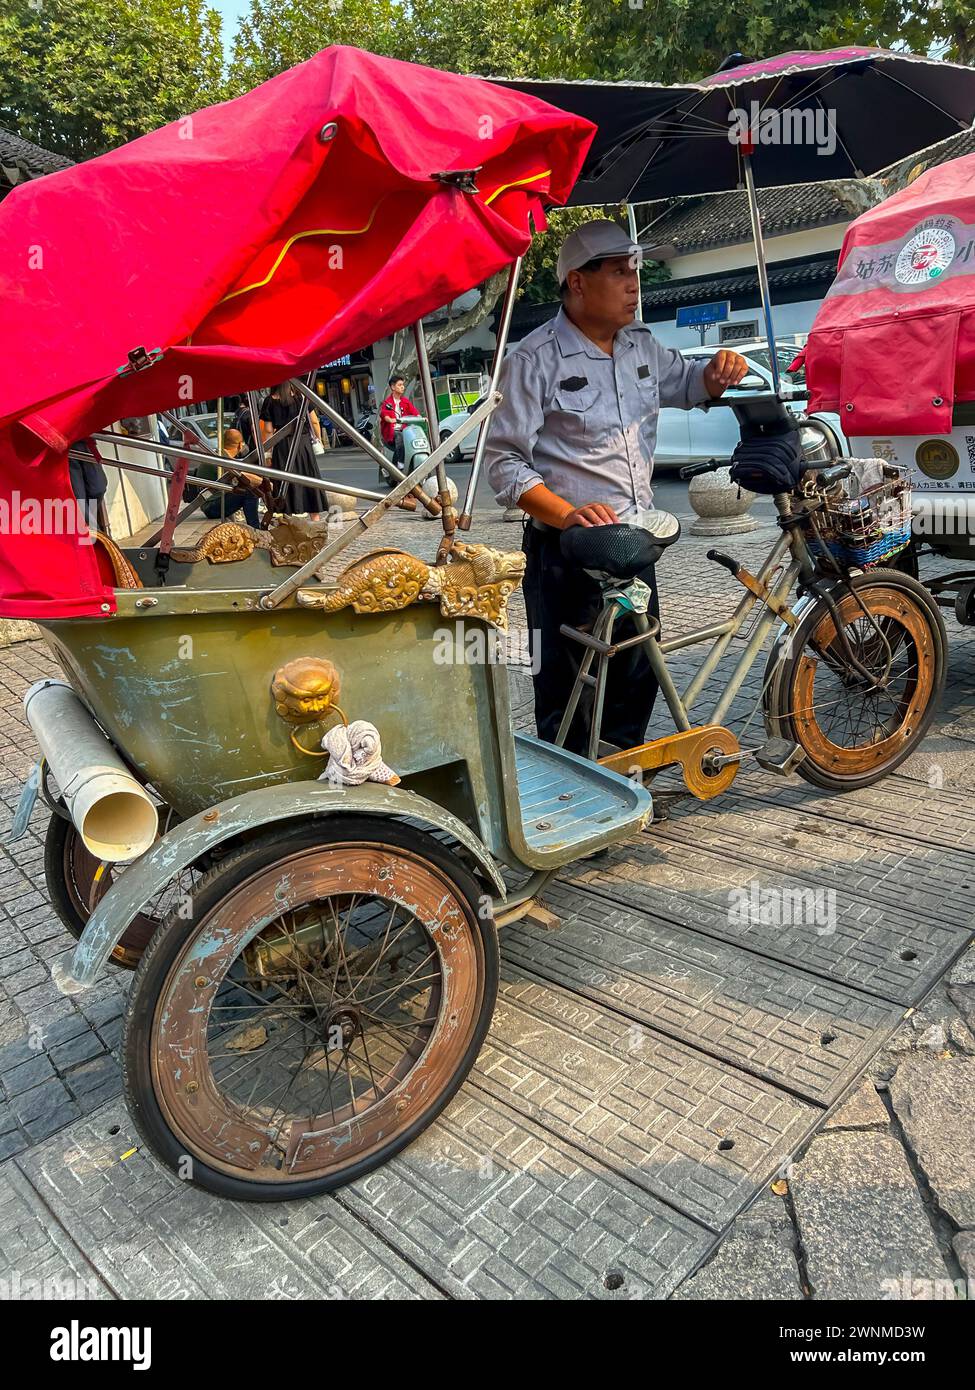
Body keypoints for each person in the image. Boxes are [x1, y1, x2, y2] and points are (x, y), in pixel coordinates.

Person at [485, 218, 748, 754]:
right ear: (577, 282)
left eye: (636, 271)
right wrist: (565, 513)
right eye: (619, 272)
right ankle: (575, 804)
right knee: (569, 687)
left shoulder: (642, 347)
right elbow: (503, 462)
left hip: (635, 543)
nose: (634, 284)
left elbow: (687, 381)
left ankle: (626, 777)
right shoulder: (533, 359)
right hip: (567, 551)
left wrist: (718, 373)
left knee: (635, 671)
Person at [259, 380, 324, 517]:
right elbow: (314, 421)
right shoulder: (302, 397)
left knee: (285, 481)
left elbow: (269, 430)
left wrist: (268, 453)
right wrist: (318, 439)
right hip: (303, 442)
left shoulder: (270, 401)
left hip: (282, 445)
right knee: (309, 478)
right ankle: (315, 518)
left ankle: (288, 518)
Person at [194, 428, 261, 528]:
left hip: (209, 503)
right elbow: (242, 475)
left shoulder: (219, 453)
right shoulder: (223, 458)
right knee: (250, 492)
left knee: (245, 489)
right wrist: (265, 482)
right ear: (240, 445)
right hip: (211, 507)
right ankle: (255, 528)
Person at [379, 375, 420, 471]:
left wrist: (421, 418)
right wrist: (390, 419)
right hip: (391, 433)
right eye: (400, 385)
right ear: (393, 387)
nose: (403, 387)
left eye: (403, 385)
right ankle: (400, 462)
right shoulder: (387, 403)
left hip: (404, 430)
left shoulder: (405, 401)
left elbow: (414, 412)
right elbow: (384, 415)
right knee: (399, 436)